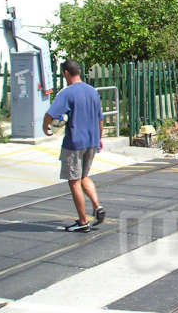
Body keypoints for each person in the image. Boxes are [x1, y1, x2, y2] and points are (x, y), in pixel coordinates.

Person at [43, 60, 105, 232]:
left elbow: (50, 114)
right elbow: (100, 119)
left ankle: (83, 221)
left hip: (74, 143)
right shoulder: (92, 91)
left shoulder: (67, 93)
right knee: (84, 176)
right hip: (91, 141)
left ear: (65, 74)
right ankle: (97, 206)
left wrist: (44, 127)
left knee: (74, 181)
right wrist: (99, 138)